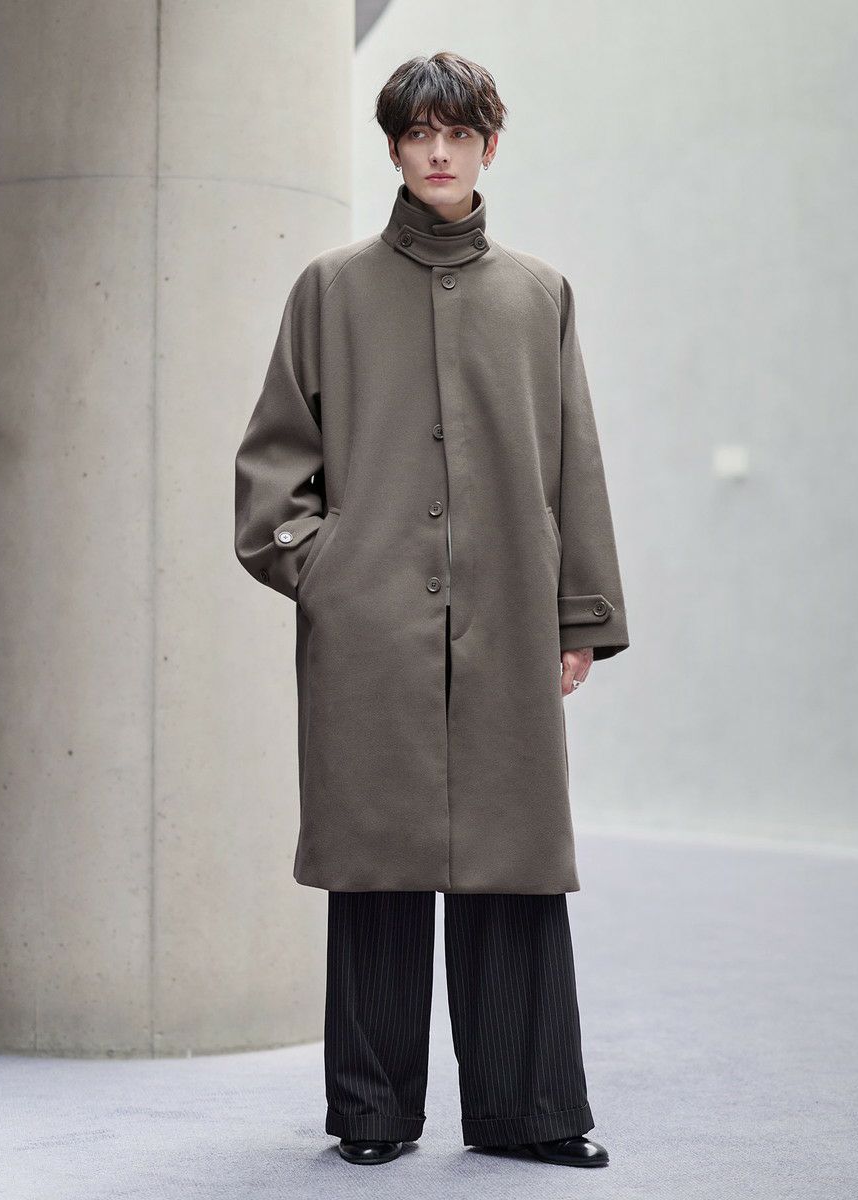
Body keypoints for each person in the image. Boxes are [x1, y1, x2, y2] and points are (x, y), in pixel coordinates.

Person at [234, 51, 629, 1167]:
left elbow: (575, 465)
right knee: (378, 867)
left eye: (459, 133)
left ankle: (528, 1113)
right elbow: (272, 471)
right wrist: (329, 571)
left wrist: (579, 616)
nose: (439, 152)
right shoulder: (329, 291)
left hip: (507, 616)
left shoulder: (539, 295)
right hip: (370, 633)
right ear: (396, 147)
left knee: (514, 864)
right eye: (419, 134)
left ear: (489, 145)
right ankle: (372, 1113)